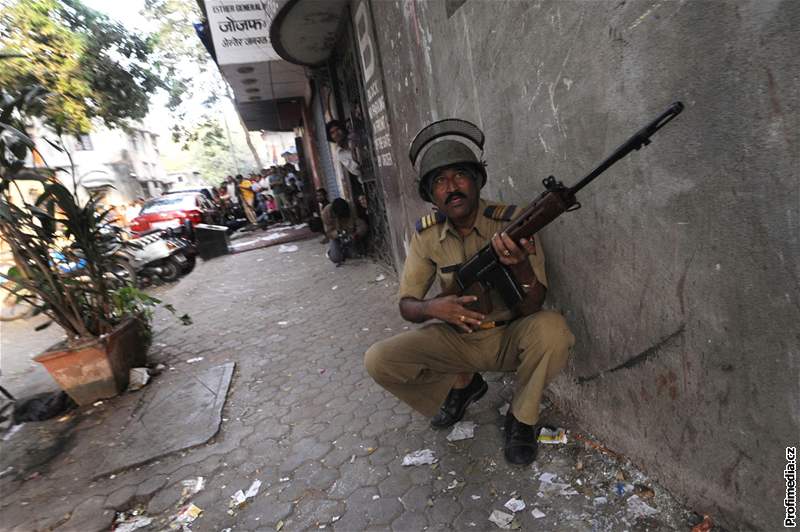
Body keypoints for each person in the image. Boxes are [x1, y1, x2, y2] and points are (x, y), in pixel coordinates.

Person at [364, 119, 575, 466]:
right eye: (440, 182)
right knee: (379, 359)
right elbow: (407, 305)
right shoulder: (426, 236)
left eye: (460, 175)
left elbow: (534, 304)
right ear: (432, 196)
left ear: (476, 180)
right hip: (458, 340)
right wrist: (434, 308)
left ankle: (521, 420)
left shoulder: (512, 222)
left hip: (510, 336)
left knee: (553, 330)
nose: (452, 187)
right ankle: (462, 386)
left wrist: (519, 265)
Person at [321, 197, 367, 266]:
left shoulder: (352, 209)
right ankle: (331, 252)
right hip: (336, 237)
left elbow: (361, 224)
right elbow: (328, 232)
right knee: (336, 258)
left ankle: (345, 251)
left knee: (354, 254)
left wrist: (356, 234)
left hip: (350, 234)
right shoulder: (326, 213)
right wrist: (339, 233)